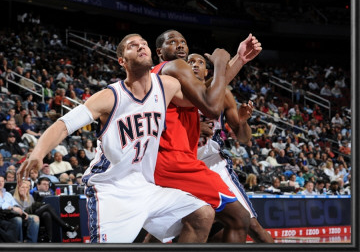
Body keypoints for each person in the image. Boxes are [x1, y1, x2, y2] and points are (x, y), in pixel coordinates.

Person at [17, 33, 221, 243]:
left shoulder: (166, 86)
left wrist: (235, 62)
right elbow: (63, 125)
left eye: (144, 43)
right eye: (133, 46)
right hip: (111, 190)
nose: (141, 46)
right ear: (122, 61)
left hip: (146, 186)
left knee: (202, 215)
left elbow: (207, 102)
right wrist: (38, 153)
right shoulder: (110, 97)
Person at [150, 29, 262, 243]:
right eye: (172, 42)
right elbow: (211, 104)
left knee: (199, 218)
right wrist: (220, 62)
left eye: (183, 41)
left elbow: (204, 94)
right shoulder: (174, 67)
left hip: (167, 162)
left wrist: (239, 59)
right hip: (177, 162)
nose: (181, 45)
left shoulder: (162, 74)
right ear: (160, 52)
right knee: (239, 218)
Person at [188, 53, 273, 243]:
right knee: (202, 230)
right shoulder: (175, 93)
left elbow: (244, 139)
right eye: (190, 62)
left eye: (200, 62)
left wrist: (242, 122)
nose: (195, 65)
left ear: (207, 70)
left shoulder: (223, 94)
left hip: (214, 164)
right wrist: (192, 128)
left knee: (253, 226)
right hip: (186, 168)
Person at [14, 178, 77, 242]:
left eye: (26, 188)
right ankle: (65, 226)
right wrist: (24, 199)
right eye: (22, 187)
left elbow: (32, 208)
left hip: (33, 214)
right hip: (25, 216)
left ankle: (49, 239)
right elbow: (24, 210)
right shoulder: (14, 198)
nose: (25, 189)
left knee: (46, 214)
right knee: (47, 206)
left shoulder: (30, 196)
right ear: (18, 188)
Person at [0, 175, 40, 242]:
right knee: (18, 219)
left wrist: (22, 212)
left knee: (35, 218)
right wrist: (11, 207)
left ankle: (31, 244)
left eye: (2, 181)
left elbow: (15, 204)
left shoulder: (7, 194)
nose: (1, 183)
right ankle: (18, 243)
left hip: (11, 214)